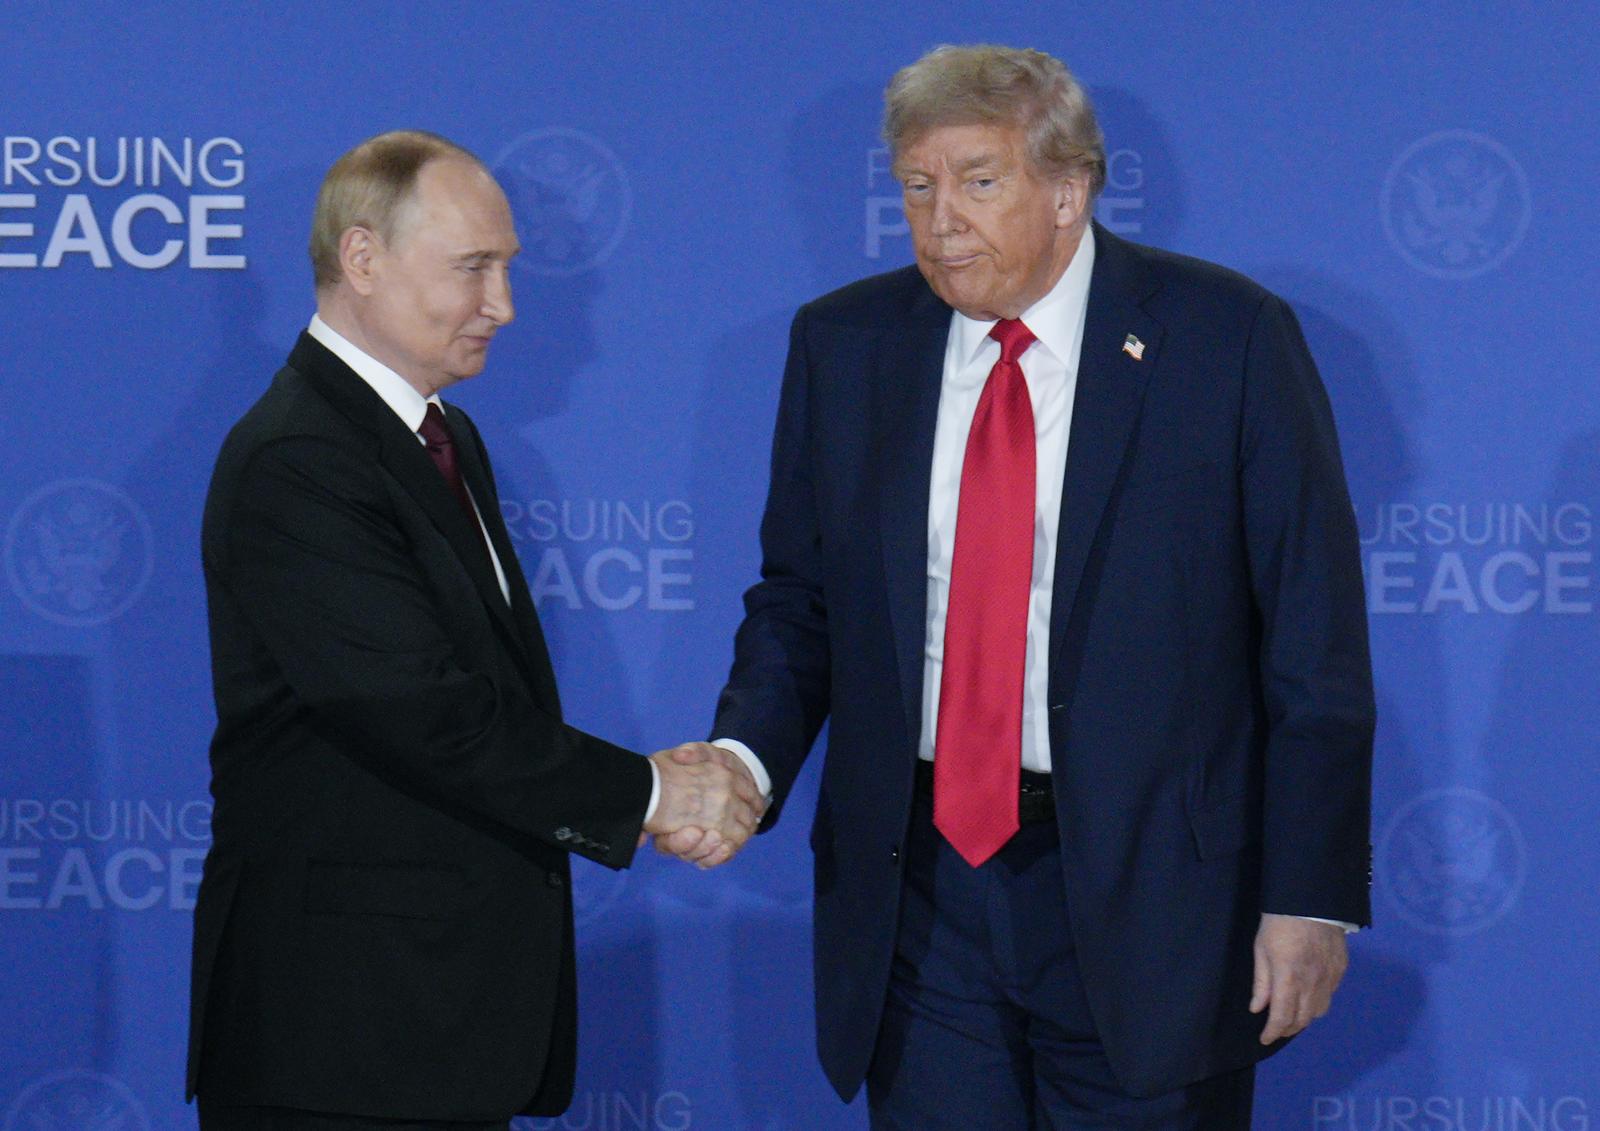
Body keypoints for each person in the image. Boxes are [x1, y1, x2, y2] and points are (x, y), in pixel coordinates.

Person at [678, 44, 1374, 1128]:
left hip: (1155, 898)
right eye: (917, 186)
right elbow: (799, 603)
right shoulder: (845, 346)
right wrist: (741, 757)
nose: (939, 217)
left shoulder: (1225, 340)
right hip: (922, 892)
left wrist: (1309, 895)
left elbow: (1311, 638)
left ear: (1069, 188)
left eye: (978, 179)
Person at [187, 130, 763, 1131]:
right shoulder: (300, 461)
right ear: (362, 259)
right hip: (344, 1044)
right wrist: (656, 791)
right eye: (473, 269)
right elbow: (425, 715)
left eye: (506, 268)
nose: (502, 305)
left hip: (434, 1029)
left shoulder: (443, 439)